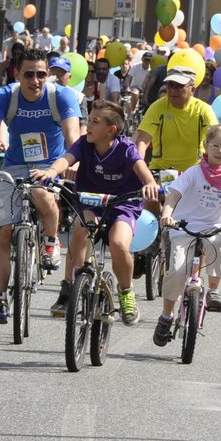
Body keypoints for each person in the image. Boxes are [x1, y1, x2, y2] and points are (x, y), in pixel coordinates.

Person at [0, 45, 82, 323]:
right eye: (29, 74)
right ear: (17, 74)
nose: (35, 81)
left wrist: (75, 163)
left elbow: (72, 134)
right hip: (14, 166)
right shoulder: (3, 96)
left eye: (41, 74)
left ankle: (50, 240)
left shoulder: (61, 96)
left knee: (41, 194)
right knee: (6, 231)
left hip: (52, 165)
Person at [33, 100, 161, 326]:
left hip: (122, 204)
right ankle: (68, 288)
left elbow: (142, 169)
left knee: (119, 243)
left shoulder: (126, 148)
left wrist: (150, 183)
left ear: (111, 130)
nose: (88, 125)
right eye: (88, 120)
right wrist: (52, 171)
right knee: (81, 230)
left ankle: (126, 293)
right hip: (92, 202)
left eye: (94, 122)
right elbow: (67, 159)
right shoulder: (84, 144)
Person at [155, 123, 221, 342]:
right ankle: (167, 315)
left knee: (217, 245)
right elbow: (173, 197)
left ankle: (213, 290)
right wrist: (167, 214)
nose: (220, 151)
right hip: (185, 227)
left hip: (214, 228)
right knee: (176, 270)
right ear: (205, 146)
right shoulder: (194, 173)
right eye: (215, 146)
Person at [135, 64, 218, 179]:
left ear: (192, 90)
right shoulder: (157, 107)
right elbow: (142, 142)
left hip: (195, 172)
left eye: (179, 86)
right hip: (160, 170)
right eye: (170, 85)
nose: (173, 90)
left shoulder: (204, 110)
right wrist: (140, 169)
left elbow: (215, 141)